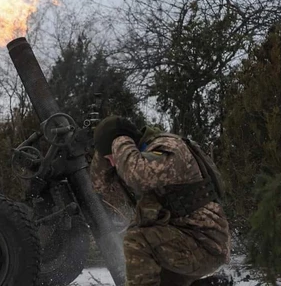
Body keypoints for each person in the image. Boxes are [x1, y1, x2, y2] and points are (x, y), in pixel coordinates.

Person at [90, 115, 231, 286]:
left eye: (111, 156)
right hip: (182, 243)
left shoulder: (170, 148)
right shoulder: (141, 156)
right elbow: (101, 186)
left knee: (138, 240)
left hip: (205, 244)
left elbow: (139, 176)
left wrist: (119, 141)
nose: (113, 163)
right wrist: (103, 151)